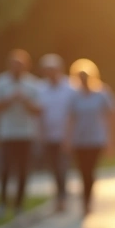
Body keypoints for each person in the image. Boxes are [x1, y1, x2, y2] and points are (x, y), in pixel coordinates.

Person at [0, 49, 41, 218]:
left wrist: (25, 100)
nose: (17, 68)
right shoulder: (0, 82)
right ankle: (2, 203)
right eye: (14, 65)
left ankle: (19, 204)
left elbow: (39, 110)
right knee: (4, 169)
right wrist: (10, 99)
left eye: (20, 65)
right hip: (6, 133)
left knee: (23, 170)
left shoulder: (33, 84)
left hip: (26, 133)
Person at [64, 58, 115, 216]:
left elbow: (113, 114)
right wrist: (67, 139)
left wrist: (111, 140)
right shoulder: (74, 97)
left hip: (96, 139)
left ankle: (88, 200)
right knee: (82, 171)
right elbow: (70, 118)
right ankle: (84, 200)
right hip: (79, 140)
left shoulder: (102, 93)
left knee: (90, 171)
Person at [36, 53, 76, 212]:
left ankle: (62, 197)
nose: (50, 72)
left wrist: (70, 136)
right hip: (47, 136)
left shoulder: (70, 88)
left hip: (65, 136)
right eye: (47, 69)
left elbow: (73, 114)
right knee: (53, 167)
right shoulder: (40, 89)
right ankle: (59, 195)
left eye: (53, 69)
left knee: (62, 167)